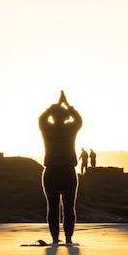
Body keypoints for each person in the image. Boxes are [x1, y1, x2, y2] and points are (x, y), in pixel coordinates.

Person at [39, 91, 83, 244]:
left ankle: (55, 238)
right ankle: (69, 238)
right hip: (68, 171)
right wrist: (67, 105)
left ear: (53, 116)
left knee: (52, 208)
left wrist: (54, 106)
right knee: (69, 208)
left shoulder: (47, 129)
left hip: (51, 171)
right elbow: (79, 120)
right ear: (66, 117)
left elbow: (41, 118)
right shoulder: (71, 129)